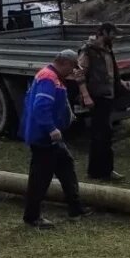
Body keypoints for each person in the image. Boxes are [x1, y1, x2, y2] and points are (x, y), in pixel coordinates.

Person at [20, 50, 93, 229]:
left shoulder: (54, 77)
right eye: (72, 67)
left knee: (66, 166)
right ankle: (32, 217)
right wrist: (51, 128)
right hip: (44, 137)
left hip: (50, 136)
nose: (72, 71)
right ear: (65, 63)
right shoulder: (48, 78)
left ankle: (75, 208)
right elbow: (41, 107)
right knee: (40, 178)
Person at [77, 23, 130, 182]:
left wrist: (121, 82)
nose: (114, 37)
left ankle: (103, 170)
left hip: (108, 96)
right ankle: (100, 171)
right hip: (97, 97)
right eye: (112, 33)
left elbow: (110, 72)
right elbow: (79, 75)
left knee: (104, 134)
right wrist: (85, 96)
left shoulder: (108, 50)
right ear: (103, 33)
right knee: (100, 135)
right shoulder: (88, 51)